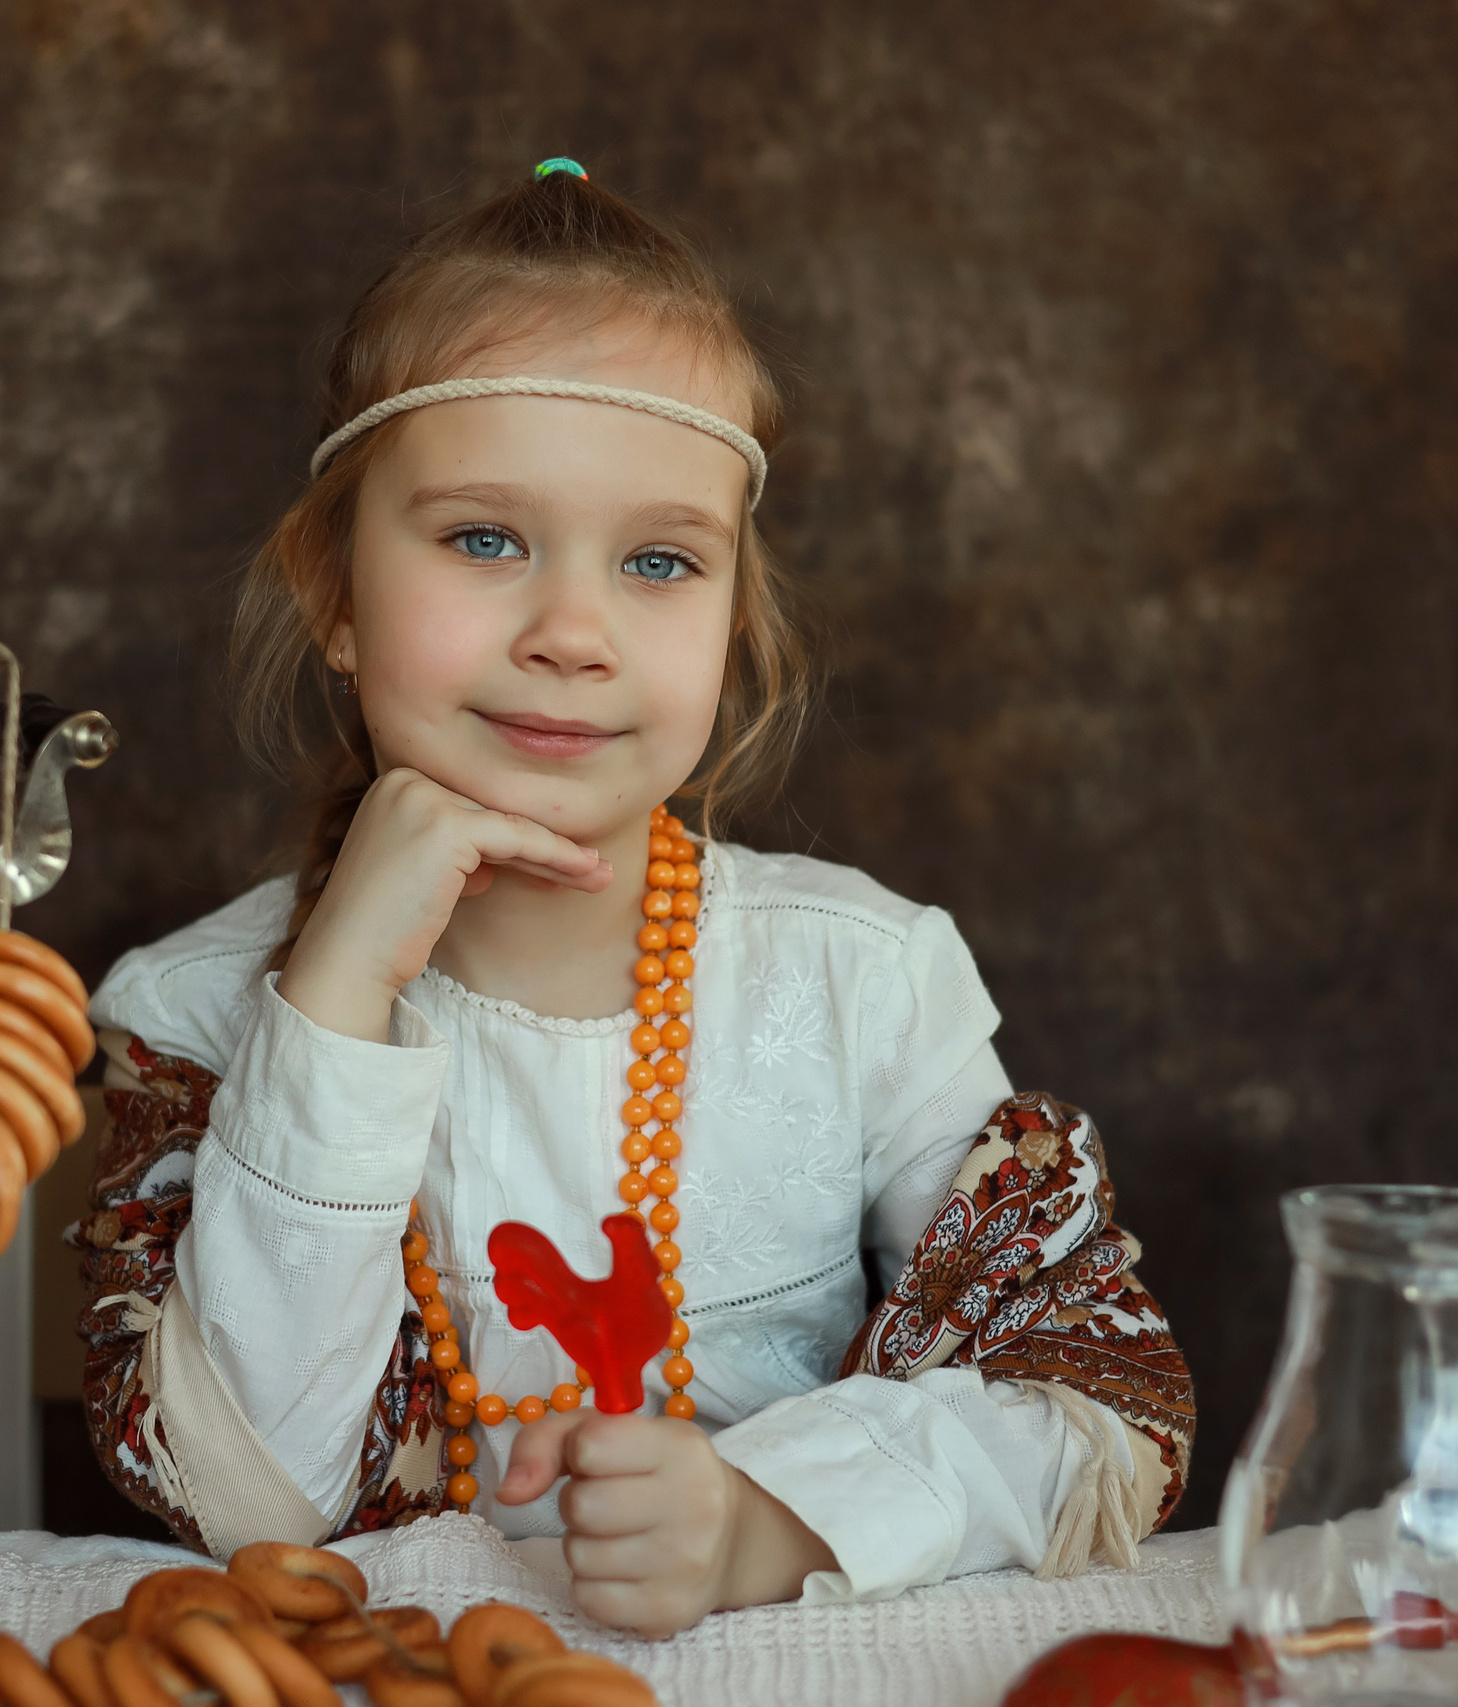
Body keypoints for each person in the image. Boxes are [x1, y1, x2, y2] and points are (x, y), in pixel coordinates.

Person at [75, 159, 1193, 1638]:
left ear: (733, 621)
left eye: (659, 561)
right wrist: (338, 994)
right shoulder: (195, 1010)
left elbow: (1100, 1404)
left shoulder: (864, 980)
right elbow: (249, 1503)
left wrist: (766, 1522)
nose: (574, 633)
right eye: (485, 539)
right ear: (335, 596)